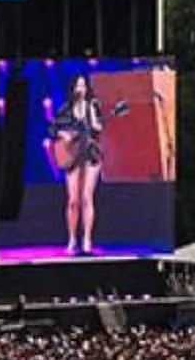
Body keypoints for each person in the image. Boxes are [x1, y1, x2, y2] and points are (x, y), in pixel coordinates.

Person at [40, 75, 129, 255]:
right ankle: (72, 239)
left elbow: (97, 128)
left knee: (87, 198)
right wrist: (63, 134)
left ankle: (87, 240)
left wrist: (97, 124)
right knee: (73, 200)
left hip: (90, 152)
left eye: (84, 85)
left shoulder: (92, 106)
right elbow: (52, 128)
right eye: (78, 86)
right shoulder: (66, 109)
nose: (82, 89)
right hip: (72, 154)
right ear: (73, 89)